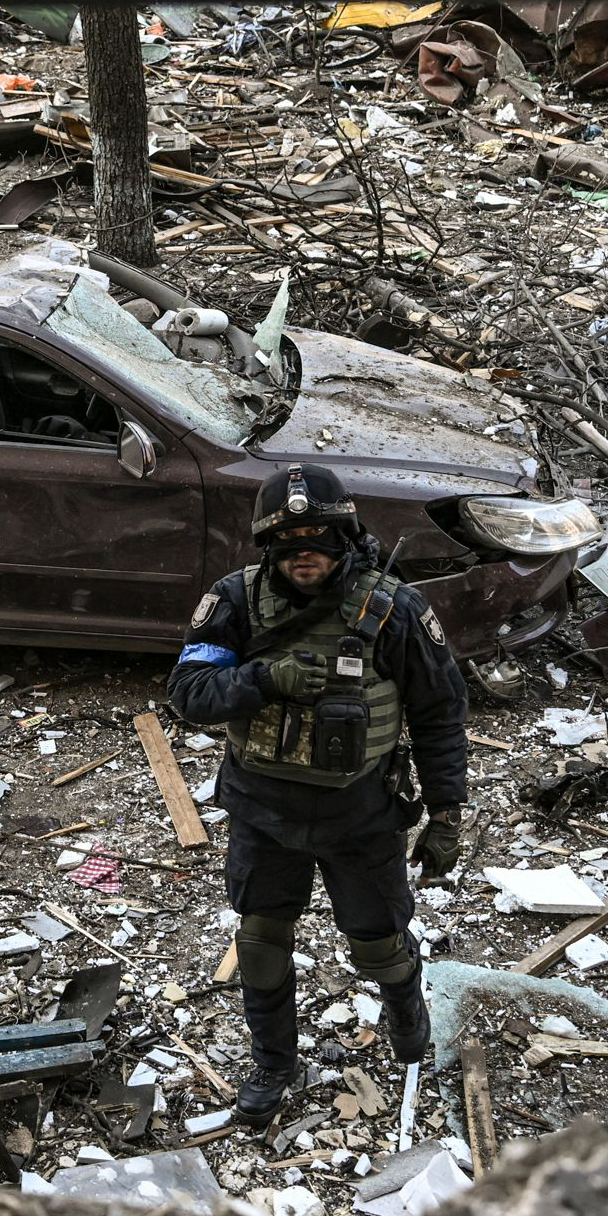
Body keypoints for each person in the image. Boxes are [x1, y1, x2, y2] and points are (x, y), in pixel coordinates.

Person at [168, 463, 468, 1126]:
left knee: (380, 946)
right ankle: (274, 1061)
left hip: (360, 817)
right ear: (267, 547)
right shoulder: (236, 602)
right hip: (263, 813)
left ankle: (409, 1029)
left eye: (320, 540)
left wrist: (447, 815)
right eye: (288, 542)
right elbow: (188, 694)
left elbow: (441, 713)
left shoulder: (394, 611)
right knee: (261, 941)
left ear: (347, 537)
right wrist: (263, 680)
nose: (305, 555)